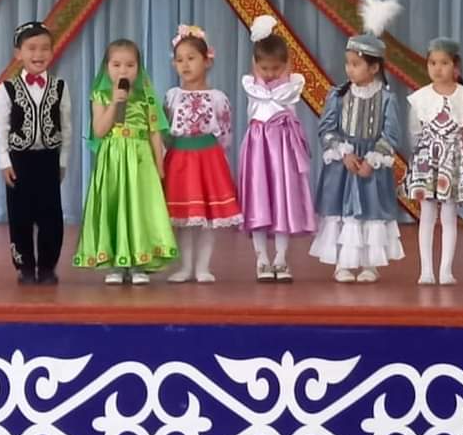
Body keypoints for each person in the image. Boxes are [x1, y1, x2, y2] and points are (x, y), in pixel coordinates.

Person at [309, 0, 405, 283]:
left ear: (374, 68)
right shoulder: (338, 95)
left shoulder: (386, 99)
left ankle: (369, 264)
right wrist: (343, 152)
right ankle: (343, 264)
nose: (349, 69)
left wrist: (373, 160)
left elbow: (391, 134)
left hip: (369, 166)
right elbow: (326, 128)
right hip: (344, 165)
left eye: (355, 64)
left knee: (369, 213)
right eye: (347, 63)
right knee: (342, 213)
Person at [73, 39, 177, 284]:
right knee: (115, 205)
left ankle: (139, 262)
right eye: (117, 64)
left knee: (139, 208)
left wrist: (159, 166)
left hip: (141, 160)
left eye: (130, 65)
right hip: (113, 159)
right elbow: (99, 130)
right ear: (106, 67)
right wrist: (115, 102)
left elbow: (154, 131)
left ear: (139, 68)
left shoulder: (146, 96)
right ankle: (115, 265)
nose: (123, 70)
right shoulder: (100, 95)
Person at [238, 15, 316, 282]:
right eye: (264, 68)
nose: (270, 73)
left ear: (285, 65)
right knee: (259, 200)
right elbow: (263, 92)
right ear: (255, 65)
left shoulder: (292, 85)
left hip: (283, 148)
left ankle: (281, 258)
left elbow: (284, 93)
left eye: (276, 68)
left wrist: (286, 72)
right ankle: (261, 258)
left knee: (284, 200)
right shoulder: (252, 85)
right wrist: (258, 71)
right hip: (258, 148)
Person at [163, 25, 242, 283]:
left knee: (207, 218)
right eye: (179, 60)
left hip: (209, 159)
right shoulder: (172, 97)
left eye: (191, 58)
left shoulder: (218, 97)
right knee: (184, 218)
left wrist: (219, 160)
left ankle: (203, 267)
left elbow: (226, 132)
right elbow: (164, 132)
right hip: (179, 160)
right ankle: (186, 267)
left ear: (207, 61)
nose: (185, 65)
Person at [0, 21, 71, 285]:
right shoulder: (6, 89)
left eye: (45, 48)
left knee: (51, 216)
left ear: (52, 52)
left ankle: (47, 267)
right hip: (19, 161)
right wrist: (4, 162)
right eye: (32, 48)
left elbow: (67, 127)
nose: (39, 54)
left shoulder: (60, 87)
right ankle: (25, 266)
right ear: (18, 53)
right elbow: (1, 128)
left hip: (48, 159)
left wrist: (62, 161)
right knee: (20, 216)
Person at [400, 37, 463, 285]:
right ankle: (426, 270)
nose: (437, 68)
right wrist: (424, 156)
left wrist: (457, 155)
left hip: (452, 161)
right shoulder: (420, 98)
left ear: (456, 66)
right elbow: (414, 132)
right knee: (426, 214)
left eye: (444, 63)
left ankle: (446, 270)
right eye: (432, 63)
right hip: (427, 161)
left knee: (449, 215)